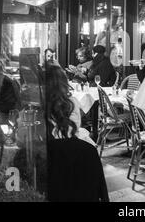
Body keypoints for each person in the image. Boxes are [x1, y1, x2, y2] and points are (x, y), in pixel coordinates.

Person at [44, 65, 107, 201]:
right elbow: (75, 128)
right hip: (75, 155)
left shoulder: (37, 106)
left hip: (49, 161)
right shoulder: (71, 102)